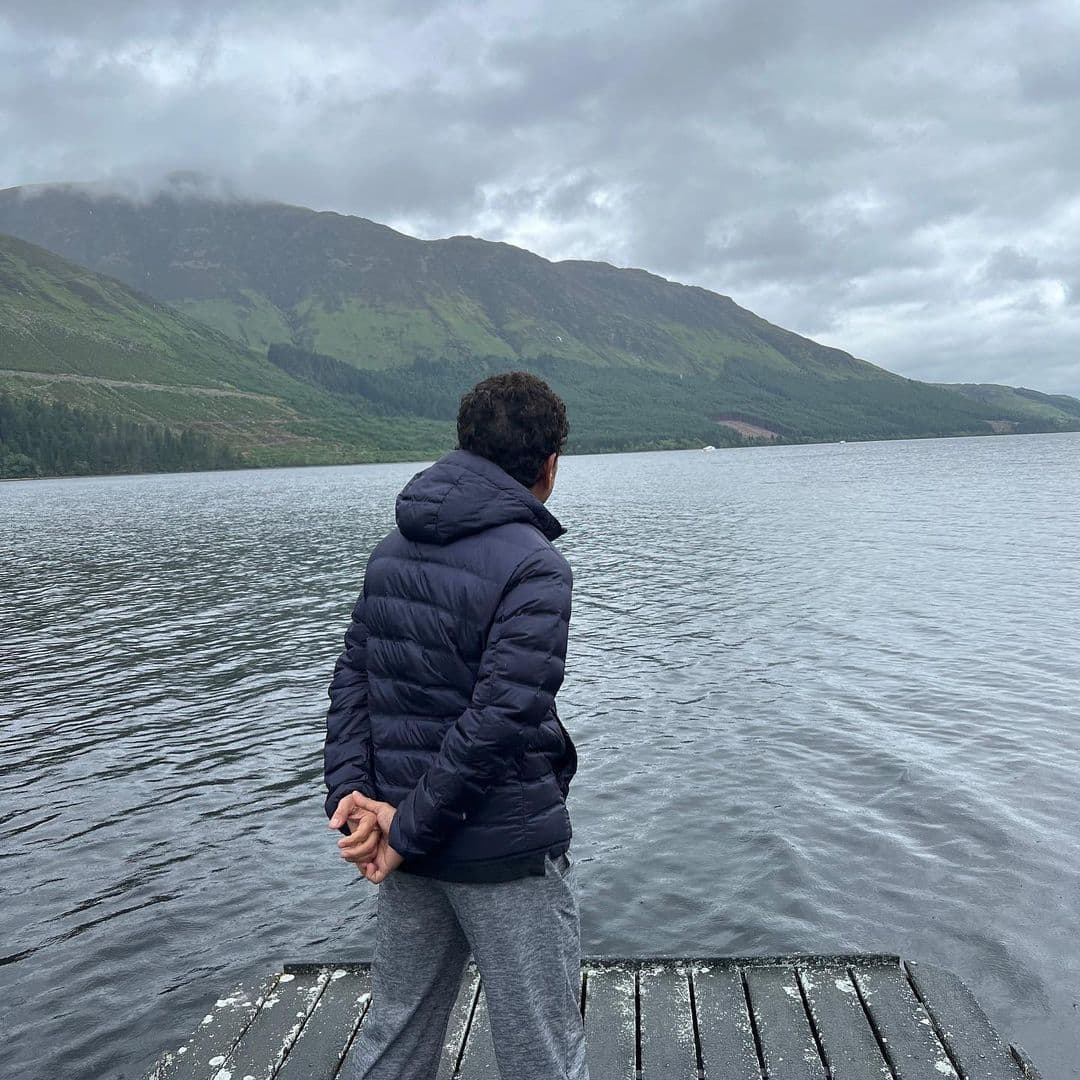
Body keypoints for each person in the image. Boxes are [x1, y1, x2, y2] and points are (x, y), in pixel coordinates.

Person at [323, 371, 587, 1080]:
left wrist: (354, 799)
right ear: (549, 465)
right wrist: (402, 833)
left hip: (406, 840)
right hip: (499, 851)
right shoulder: (536, 566)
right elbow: (501, 722)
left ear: (465, 445)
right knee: (542, 1054)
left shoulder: (391, 552)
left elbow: (353, 677)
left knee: (396, 1038)